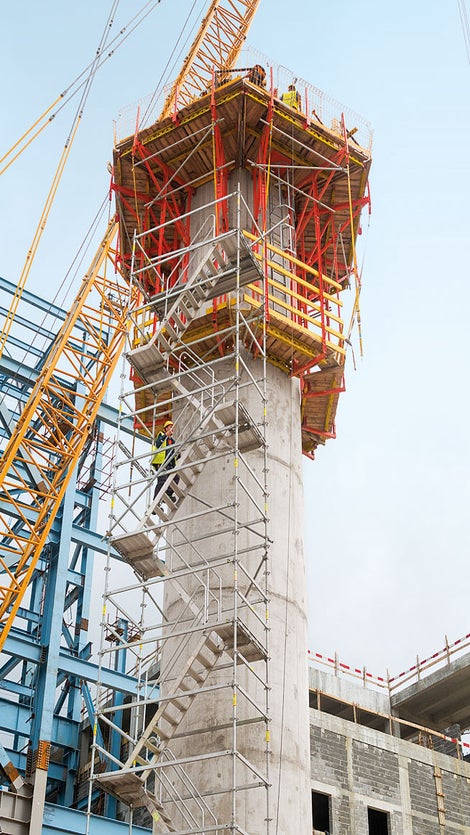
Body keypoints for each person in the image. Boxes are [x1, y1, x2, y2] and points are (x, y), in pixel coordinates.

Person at [151, 420, 179, 503]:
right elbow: (158, 444)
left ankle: (168, 494)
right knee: (162, 481)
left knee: (176, 478)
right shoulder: (161, 435)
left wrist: (176, 456)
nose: (172, 429)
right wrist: (165, 435)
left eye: (172, 427)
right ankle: (156, 500)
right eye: (170, 427)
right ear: (166, 428)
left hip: (170, 464)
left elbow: (172, 454)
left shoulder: (172, 441)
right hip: (162, 463)